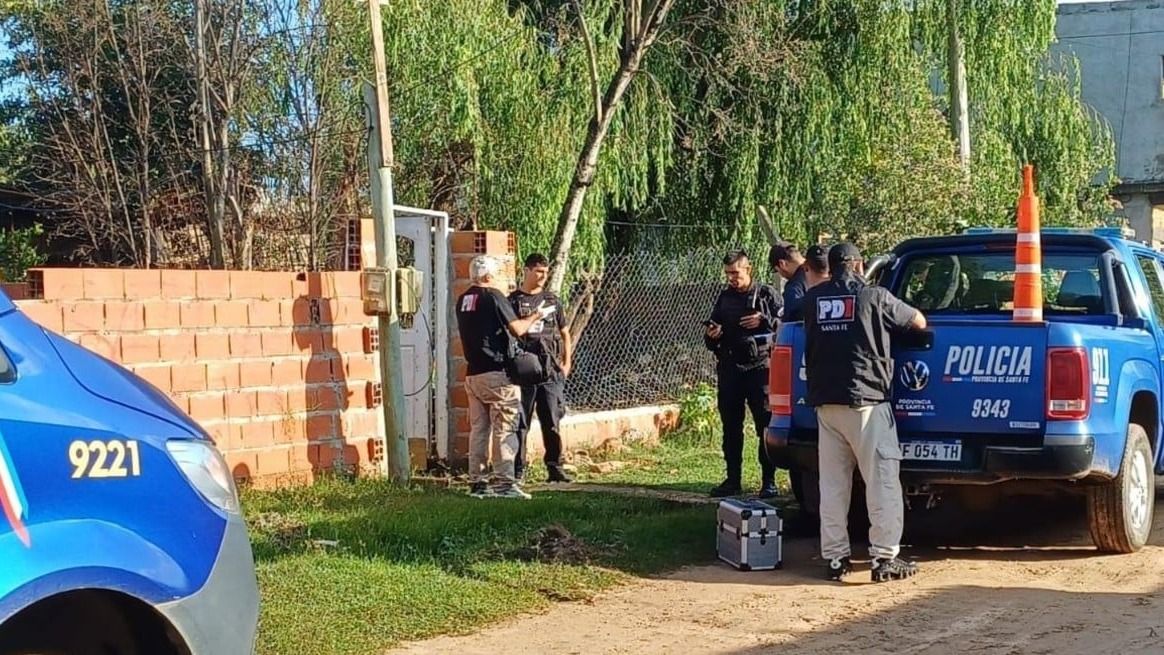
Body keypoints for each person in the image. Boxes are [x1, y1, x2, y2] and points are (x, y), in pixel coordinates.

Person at [801, 242, 927, 582]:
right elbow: (918, 320)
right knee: (881, 481)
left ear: (830, 267)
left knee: (833, 486)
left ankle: (835, 559)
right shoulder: (875, 296)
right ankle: (884, 559)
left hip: (827, 406)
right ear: (858, 266)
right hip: (867, 404)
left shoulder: (813, 300)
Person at [455, 255, 553, 499]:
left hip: (473, 374)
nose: (499, 278)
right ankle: (504, 483)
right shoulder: (493, 296)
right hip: (496, 372)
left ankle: (478, 482)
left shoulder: (463, 299)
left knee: (479, 429)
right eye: (497, 273)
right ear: (489, 276)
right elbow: (517, 328)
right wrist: (536, 316)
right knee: (505, 427)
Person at [703, 250, 782, 498]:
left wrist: (763, 319)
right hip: (730, 368)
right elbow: (712, 334)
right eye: (728, 274)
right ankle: (732, 480)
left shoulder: (766, 294)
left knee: (765, 425)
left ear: (749, 269)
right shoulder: (725, 297)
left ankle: (768, 481)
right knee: (731, 427)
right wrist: (712, 334)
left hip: (760, 369)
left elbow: (785, 325)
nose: (731, 278)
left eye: (735, 273)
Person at [509, 253, 574, 484]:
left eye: (545, 272)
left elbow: (565, 333)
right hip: (525, 372)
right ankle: (518, 469)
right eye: (538, 271)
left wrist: (566, 363)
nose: (542, 276)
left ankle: (554, 467)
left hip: (550, 371)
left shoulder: (552, 300)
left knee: (552, 420)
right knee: (521, 422)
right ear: (526, 271)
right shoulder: (513, 301)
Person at [768, 241, 808, 319]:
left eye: (777, 270)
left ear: (782, 264)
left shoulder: (793, 287)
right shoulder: (823, 268)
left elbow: (791, 319)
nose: (781, 275)